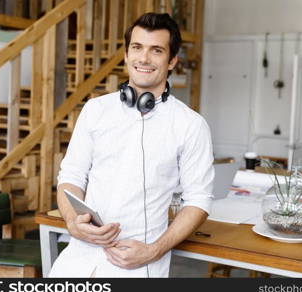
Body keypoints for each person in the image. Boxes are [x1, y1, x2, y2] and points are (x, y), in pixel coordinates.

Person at [49, 13, 214, 277]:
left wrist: (154, 250)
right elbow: (70, 177)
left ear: (172, 60)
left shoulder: (191, 125)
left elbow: (199, 200)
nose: (144, 59)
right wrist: (72, 221)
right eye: (137, 48)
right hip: (78, 258)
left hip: (138, 264)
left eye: (156, 50)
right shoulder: (95, 110)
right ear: (126, 54)